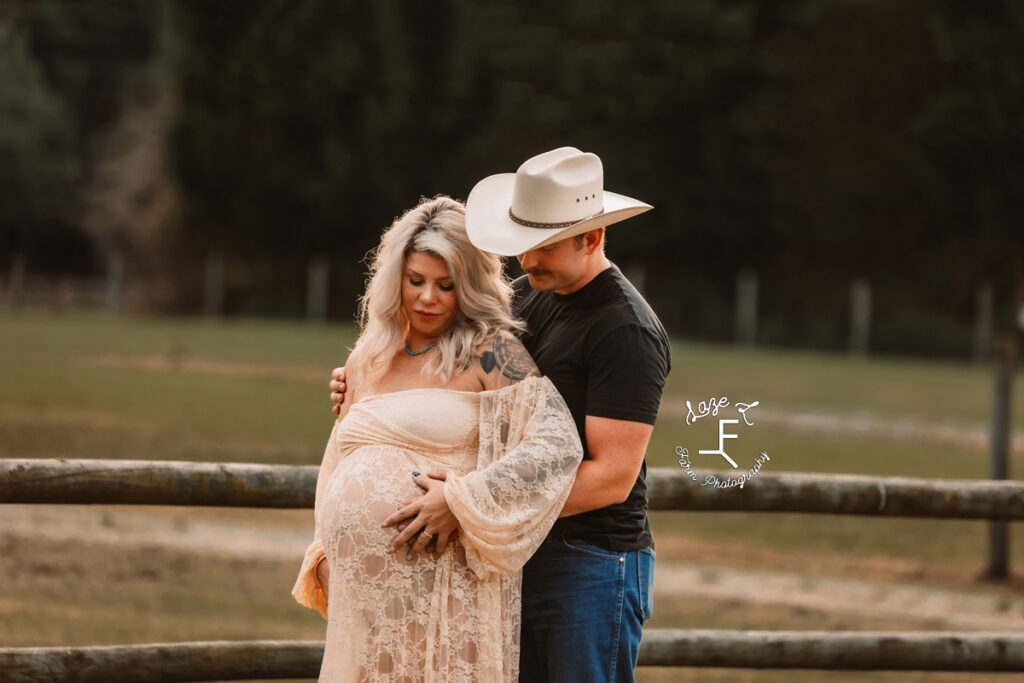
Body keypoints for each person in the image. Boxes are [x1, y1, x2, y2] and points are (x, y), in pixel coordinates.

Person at [332, 148, 671, 682]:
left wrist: (471, 504)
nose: (527, 259)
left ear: (592, 237)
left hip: (590, 560)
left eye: (544, 246)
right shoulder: (527, 296)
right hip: (513, 549)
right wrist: (372, 397)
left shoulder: (623, 330)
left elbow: (611, 477)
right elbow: (449, 367)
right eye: (522, 244)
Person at [294, 195, 583, 682]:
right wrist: (323, 553)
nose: (428, 297)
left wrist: (463, 498)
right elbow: (339, 460)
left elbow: (556, 446)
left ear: (469, 286)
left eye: (446, 286)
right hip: (366, 607)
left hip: (443, 594)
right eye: (416, 281)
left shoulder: (490, 350)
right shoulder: (372, 351)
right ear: (395, 280)